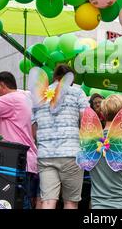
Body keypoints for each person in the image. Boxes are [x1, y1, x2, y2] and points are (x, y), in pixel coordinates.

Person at [0, 71, 39, 209]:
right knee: (23, 201)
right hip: (29, 161)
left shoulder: (12, 98)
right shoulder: (26, 97)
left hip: (15, 161)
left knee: (15, 202)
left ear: (2, 85)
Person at [32, 64, 89, 209]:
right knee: (70, 202)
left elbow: (34, 128)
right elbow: (86, 121)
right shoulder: (77, 93)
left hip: (45, 155)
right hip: (71, 154)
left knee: (48, 201)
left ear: (55, 77)